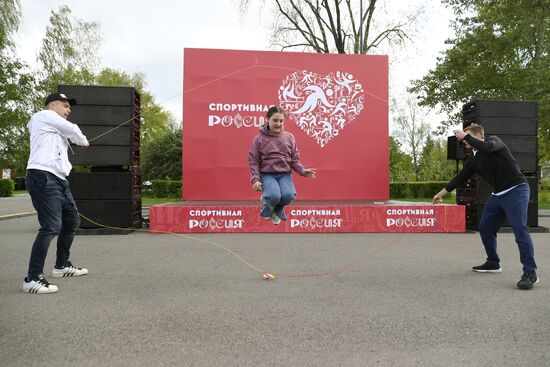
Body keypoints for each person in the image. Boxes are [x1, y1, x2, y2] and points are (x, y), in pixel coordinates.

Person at [433, 124, 539, 289]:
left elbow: (487, 148)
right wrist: (440, 194)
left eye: (467, 137)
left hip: (516, 189)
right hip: (498, 195)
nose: (464, 142)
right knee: (485, 228)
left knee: (520, 230)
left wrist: (465, 135)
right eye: (464, 139)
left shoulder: (494, 142)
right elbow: (459, 178)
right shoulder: (473, 160)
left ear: (478, 136)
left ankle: (530, 273)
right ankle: (493, 262)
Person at [23, 93, 90, 294]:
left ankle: (61, 266)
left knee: (72, 222)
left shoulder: (52, 127)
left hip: (59, 179)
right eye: (65, 106)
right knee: (51, 226)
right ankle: (32, 278)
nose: (69, 110)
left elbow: (66, 136)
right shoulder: (44, 115)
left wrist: (76, 140)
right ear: (53, 105)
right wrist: (83, 141)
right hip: (42, 175)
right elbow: (74, 130)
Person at [248, 105, 316, 225]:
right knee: (273, 196)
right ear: (267, 119)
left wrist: (303, 171)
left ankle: (275, 211)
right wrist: (255, 180)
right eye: (275, 120)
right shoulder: (259, 139)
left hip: (285, 174)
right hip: (267, 174)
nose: (278, 123)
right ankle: (266, 203)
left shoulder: (289, 137)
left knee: (288, 196)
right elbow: (253, 161)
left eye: (281, 121)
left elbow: (294, 160)